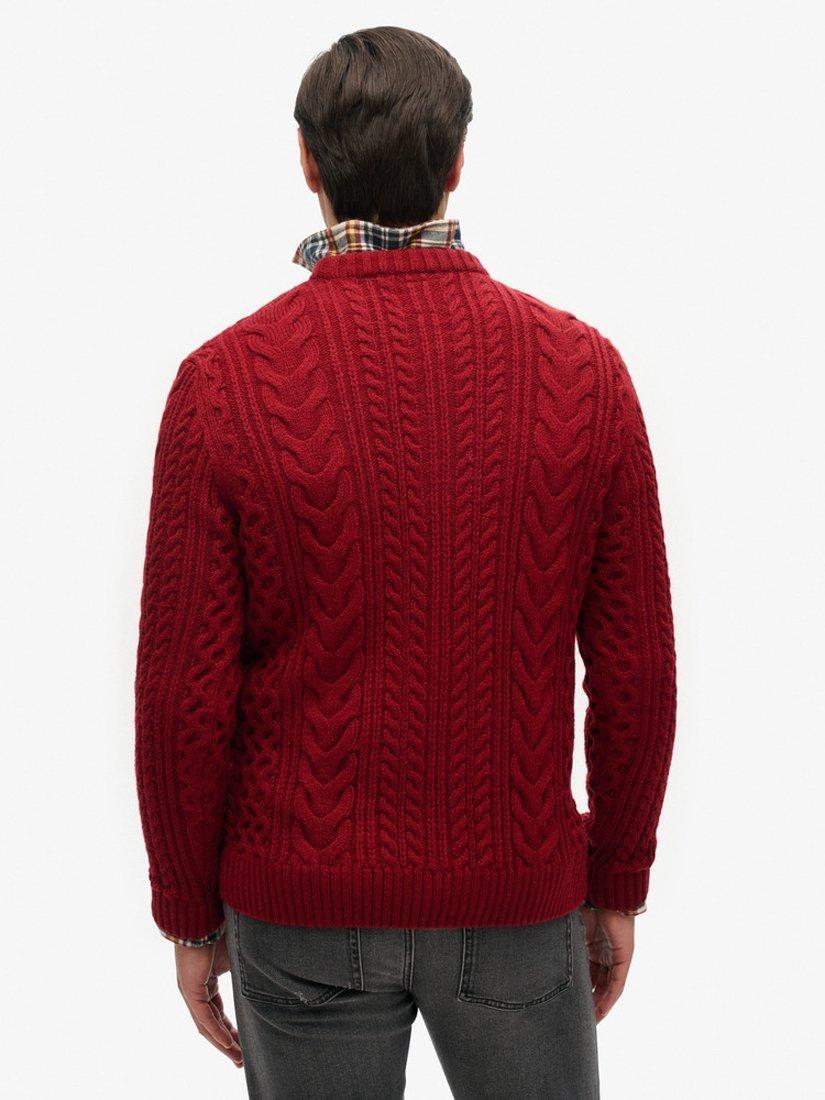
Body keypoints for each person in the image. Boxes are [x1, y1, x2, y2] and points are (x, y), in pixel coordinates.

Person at [134, 24, 677, 1100]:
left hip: (299, 903)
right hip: (514, 893)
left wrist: (189, 915)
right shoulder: (583, 372)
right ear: (457, 160)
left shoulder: (224, 383)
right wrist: (617, 877)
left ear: (306, 161)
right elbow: (636, 669)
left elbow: (182, 694)